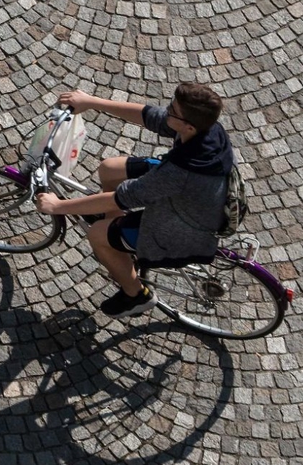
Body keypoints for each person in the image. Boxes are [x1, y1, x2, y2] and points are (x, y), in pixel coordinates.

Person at [36, 83, 237, 317]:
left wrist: (58, 207)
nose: (167, 110)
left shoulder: (179, 172)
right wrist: (91, 102)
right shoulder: (205, 128)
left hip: (178, 223)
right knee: (109, 169)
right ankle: (118, 234)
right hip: (188, 195)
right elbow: (150, 116)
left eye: (172, 111)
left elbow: (123, 198)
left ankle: (136, 295)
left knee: (97, 234)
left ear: (188, 126)